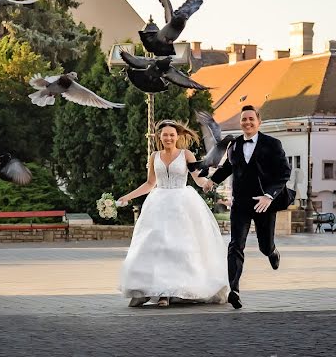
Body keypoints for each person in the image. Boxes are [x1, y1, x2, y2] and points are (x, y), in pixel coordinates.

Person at [116, 119, 229, 308]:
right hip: (158, 202)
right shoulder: (154, 156)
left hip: (181, 203)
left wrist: (208, 183)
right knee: (154, 246)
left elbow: (197, 179)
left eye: (172, 135)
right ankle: (145, 290)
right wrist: (127, 197)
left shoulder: (186, 155)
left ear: (177, 137)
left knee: (177, 248)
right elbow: (150, 184)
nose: (168, 137)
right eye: (165, 135)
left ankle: (167, 293)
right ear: (160, 137)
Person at [202, 104, 291, 309]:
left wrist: (269, 196)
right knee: (236, 245)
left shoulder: (273, 144)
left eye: (251, 119)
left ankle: (272, 251)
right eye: (244, 119)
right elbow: (227, 167)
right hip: (241, 203)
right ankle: (234, 290)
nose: (247, 122)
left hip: (264, 203)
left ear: (258, 122)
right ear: (240, 123)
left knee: (264, 245)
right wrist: (212, 181)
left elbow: (284, 173)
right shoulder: (234, 145)